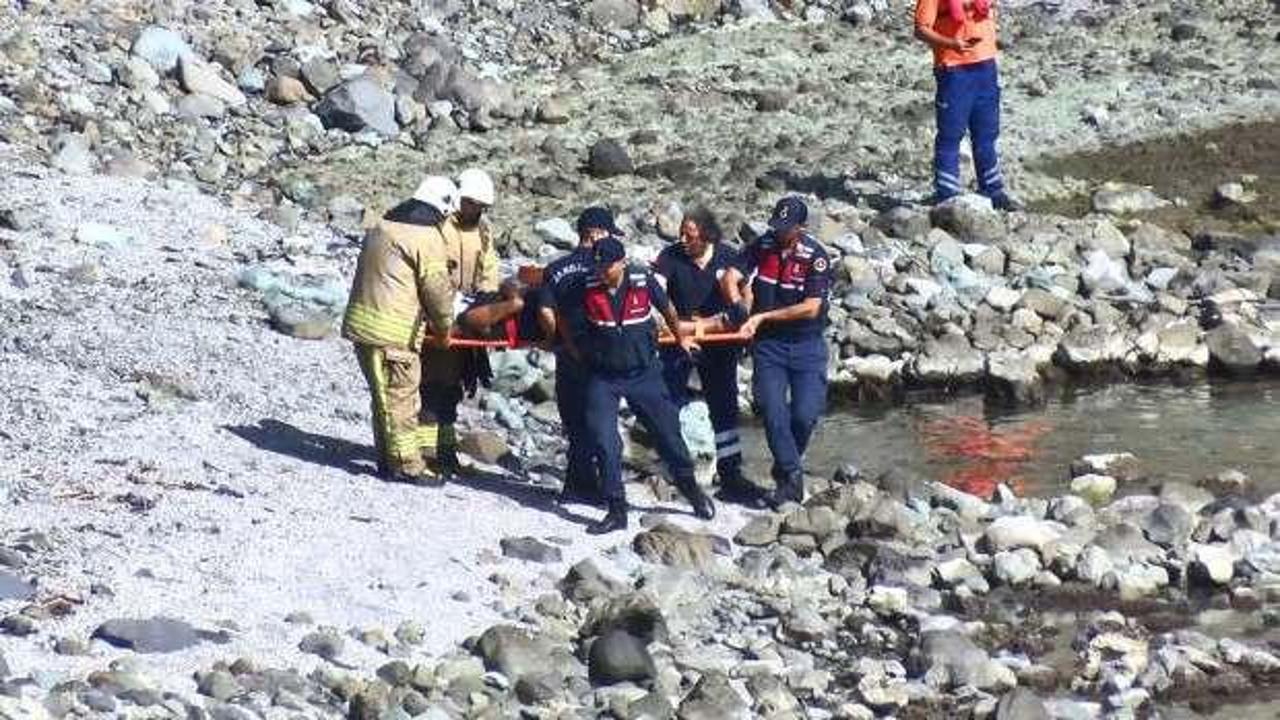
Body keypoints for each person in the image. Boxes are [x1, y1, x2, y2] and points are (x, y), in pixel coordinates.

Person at [579, 236, 716, 534]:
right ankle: (616, 509)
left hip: (644, 373)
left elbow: (667, 308)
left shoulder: (642, 279)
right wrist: (579, 353)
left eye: (607, 267)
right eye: (597, 265)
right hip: (603, 376)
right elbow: (568, 321)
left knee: (669, 436)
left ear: (622, 263)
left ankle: (691, 489)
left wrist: (681, 338)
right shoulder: (586, 284)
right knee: (605, 441)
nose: (601, 272)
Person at [341, 176, 457, 486]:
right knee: (401, 399)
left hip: (362, 326)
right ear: (443, 208)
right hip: (394, 333)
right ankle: (408, 466)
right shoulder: (426, 237)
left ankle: (387, 460)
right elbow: (437, 290)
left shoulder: (382, 225)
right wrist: (445, 327)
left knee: (382, 397)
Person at [651, 207, 768, 508]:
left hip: (720, 342)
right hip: (679, 339)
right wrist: (692, 326)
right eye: (682, 234)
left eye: (690, 236)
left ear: (706, 235)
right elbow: (657, 294)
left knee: (724, 405)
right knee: (668, 402)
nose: (683, 240)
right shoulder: (670, 257)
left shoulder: (728, 257)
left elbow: (745, 297)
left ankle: (730, 472)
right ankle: (674, 469)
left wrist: (738, 319)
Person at [725, 197, 832, 509]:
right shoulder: (763, 245)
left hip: (807, 345)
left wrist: (762, 317)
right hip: (769, 346)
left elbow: (811, 308)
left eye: (787, 228)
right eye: (777, 226)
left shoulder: (816, 257)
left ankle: (785, 467)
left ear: (801, 228)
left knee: (805, 414)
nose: (780, 233)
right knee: (772, 412)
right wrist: (737, 304)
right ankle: (791, 477)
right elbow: (732, 274)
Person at [419, 167, 501, 475]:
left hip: (466, 316)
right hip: (438, 313)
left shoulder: (482, 230)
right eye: (472, 204)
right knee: (430, 385)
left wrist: (487, 298)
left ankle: (446, 450)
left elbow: (489, 266)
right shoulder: (439, 226)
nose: (476, 210)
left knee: (452, 388)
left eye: (481, 206)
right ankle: (426, 452)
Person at [535, 207, 617, 505]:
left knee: (574, 419)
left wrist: (554, 339)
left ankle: (576, 484)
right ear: (597, 233)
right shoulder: (607, 266)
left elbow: (546, 310)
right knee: (597, 420)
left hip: (567, 353)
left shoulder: (557, 268)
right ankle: (593, 488)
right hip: (599, 351)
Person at [913, 0, 1022, 211]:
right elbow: (920, 29)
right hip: (954, 69)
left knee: (986, 133)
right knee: (950, 134)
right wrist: (950, 43)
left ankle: (992, 190)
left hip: (986, 65)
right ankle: (946, 193)